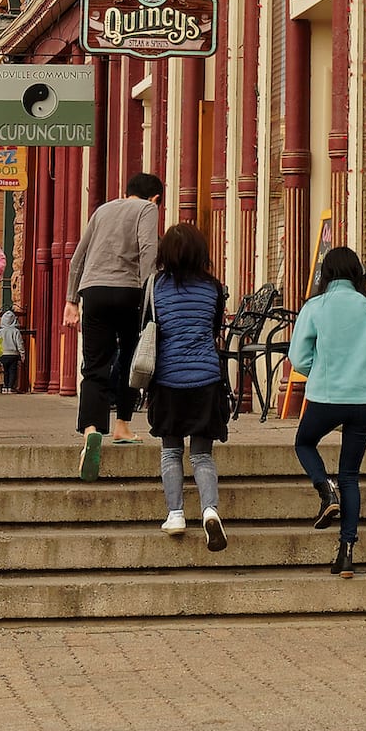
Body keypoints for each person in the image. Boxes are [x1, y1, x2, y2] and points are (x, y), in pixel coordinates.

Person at [288, 247, 366, 578]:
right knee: (351, 476)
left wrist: (319, 371)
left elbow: (297, 356)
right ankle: (346, 555)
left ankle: (323, 488)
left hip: (326, 398)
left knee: (304, 443)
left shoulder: (315, 306)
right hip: (364, 400)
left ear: (326, 275)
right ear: (358, 273)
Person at [62, 170, 164, 478]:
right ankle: (122, 425)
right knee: (132, 360)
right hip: (128, 291)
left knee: (95, 363)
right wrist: (150, 291)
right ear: (156, 197)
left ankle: (91, 428)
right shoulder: (147, 209)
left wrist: (71, 300)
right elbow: (148, 249)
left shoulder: (102, 210)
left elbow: (77, 257)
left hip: (92, 290)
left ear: (127, 190)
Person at [146, 222, 229, 551]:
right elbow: (215, 328)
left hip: (168, 379)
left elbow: (150, 327)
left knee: (170, 451)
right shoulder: (213, 287)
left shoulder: (156, 286)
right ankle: (209, 510)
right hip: (207, 378)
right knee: (203, 456)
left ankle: (176, 513)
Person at [0, 306, 24, 391]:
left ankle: (5, 386)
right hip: (13, 354)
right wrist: (22, 353)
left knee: (5, 371)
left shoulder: (0, 331)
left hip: (3, 354)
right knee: (13, 371)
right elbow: (20, 343)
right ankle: (10, 386)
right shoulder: (16, 331)